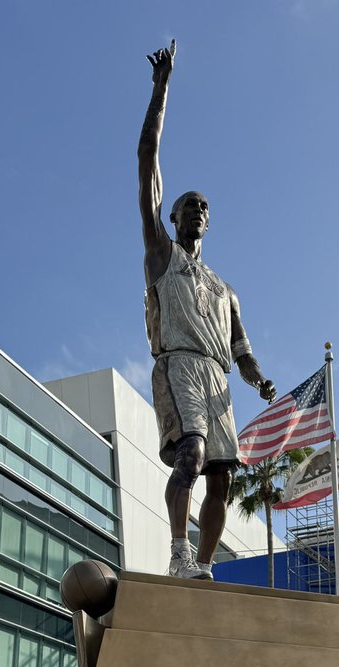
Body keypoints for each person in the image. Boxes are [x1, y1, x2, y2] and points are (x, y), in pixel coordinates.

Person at [138, 40, 276, 580]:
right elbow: (147, 156)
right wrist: (161, 88)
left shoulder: (225, 288)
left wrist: (260, 379)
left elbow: (243, 352)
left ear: (210, 223)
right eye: (188, 204)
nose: (197, 210)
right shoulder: (160, 253)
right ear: (171, 216)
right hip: (178, 364)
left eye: (205, 207)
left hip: (219, 377)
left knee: (221, 475)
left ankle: (203, 566)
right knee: (190, 457)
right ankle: (177, 554)